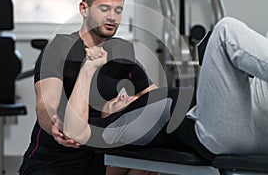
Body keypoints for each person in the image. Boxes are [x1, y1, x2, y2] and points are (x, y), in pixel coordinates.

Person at [57, 16, 268, 169]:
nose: (122, 95)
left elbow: (140, 78)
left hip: (255, 120)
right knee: (225, 31)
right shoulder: (118, 129)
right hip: (220, 136)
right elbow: (75, 131)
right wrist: (88, 67)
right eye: (114, 105)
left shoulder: (152, 99)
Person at [19, 0, 157, 175]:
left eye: (118, 11)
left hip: (101, 159)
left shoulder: (121, 54)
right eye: (104, 9)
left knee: (151, 167)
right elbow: (45, 104)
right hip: (56, 160)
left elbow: (157, 99)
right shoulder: (59, 49)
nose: (112, 17)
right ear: (84, 9)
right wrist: (55, 124)